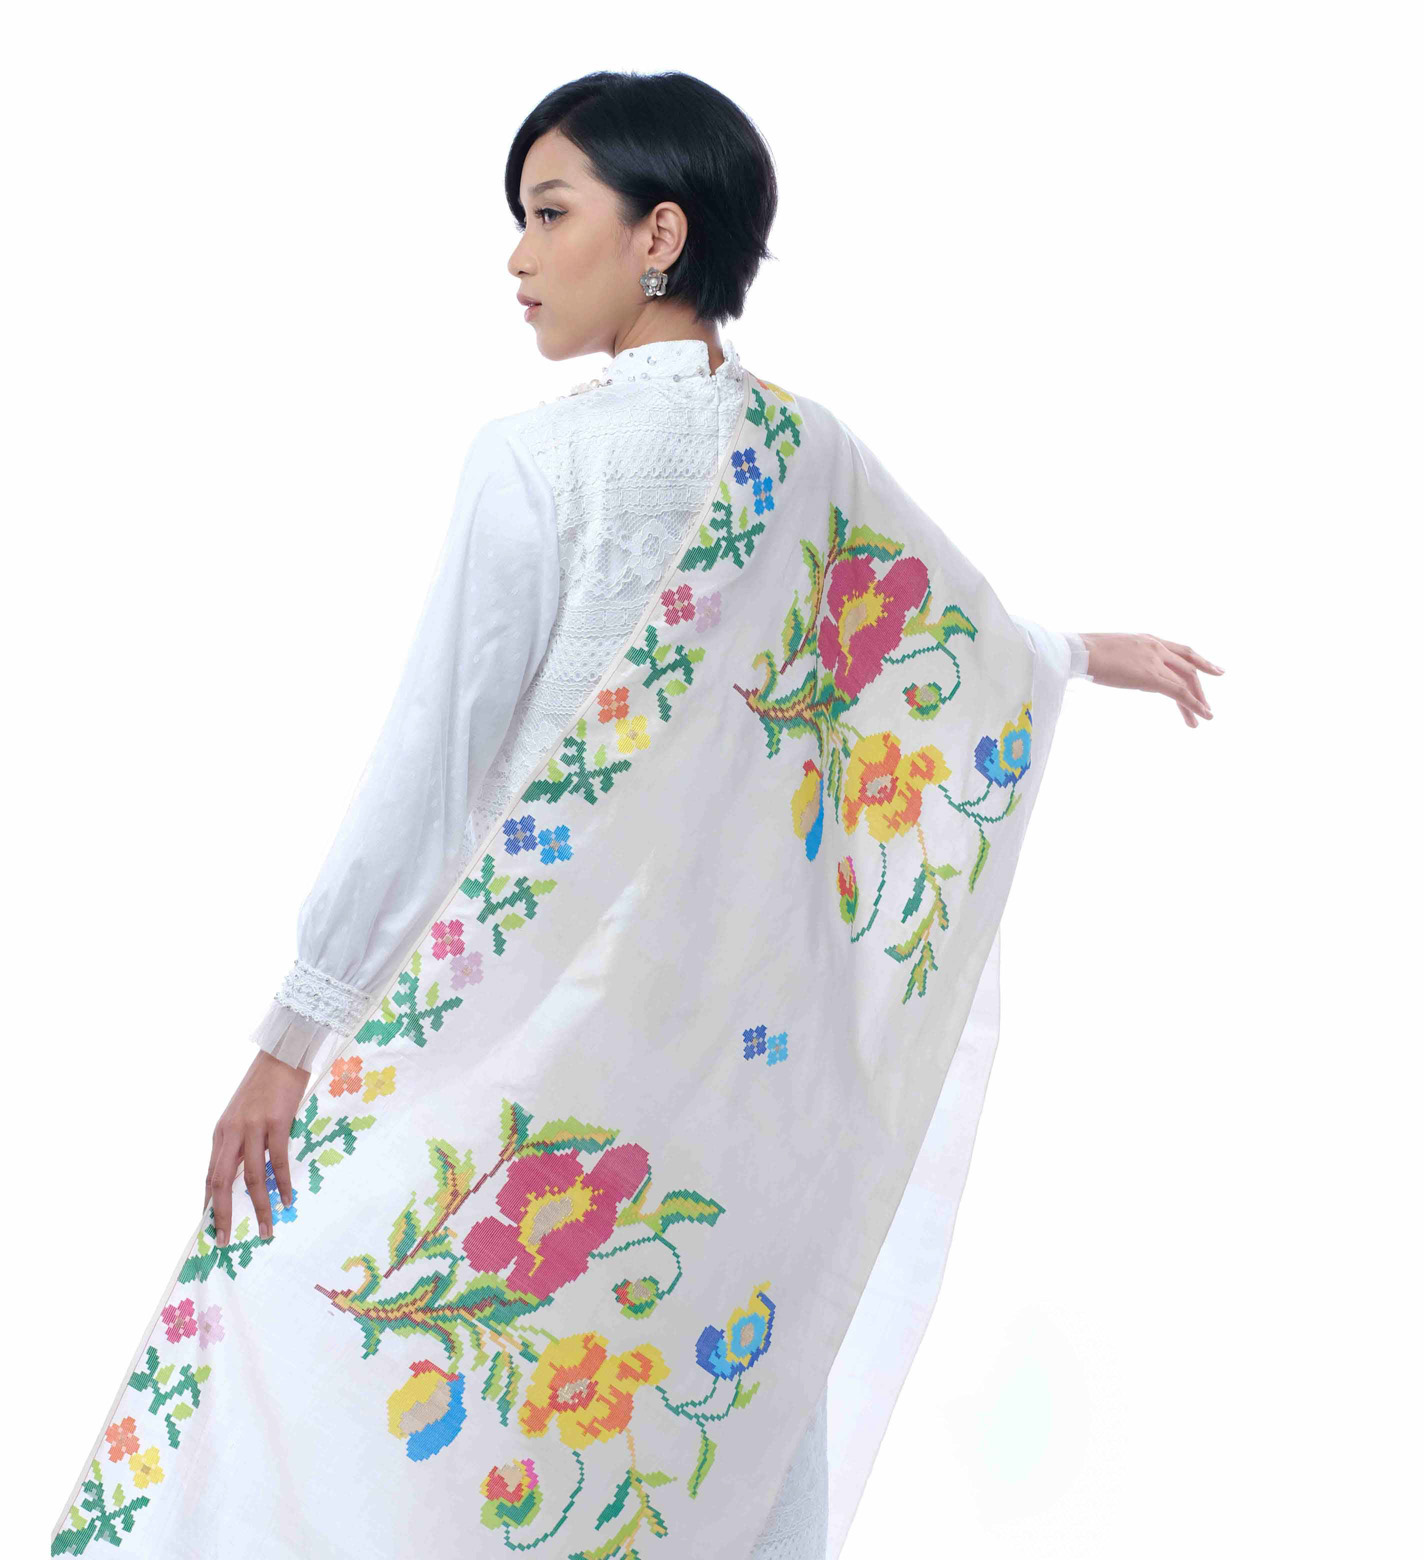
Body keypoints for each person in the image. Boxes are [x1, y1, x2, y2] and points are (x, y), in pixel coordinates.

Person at [52, 70, 1220, 1560]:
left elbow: (430, 771)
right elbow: (942, 643)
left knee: (325, 1338)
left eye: (551, 214)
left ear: (660, 234)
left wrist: (293, 1035)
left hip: (525, 1031)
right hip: (727, 1074)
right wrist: (1072, 655)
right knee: (705, 1402)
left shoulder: (540, 461)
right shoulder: (806, 455)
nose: (519, 256)